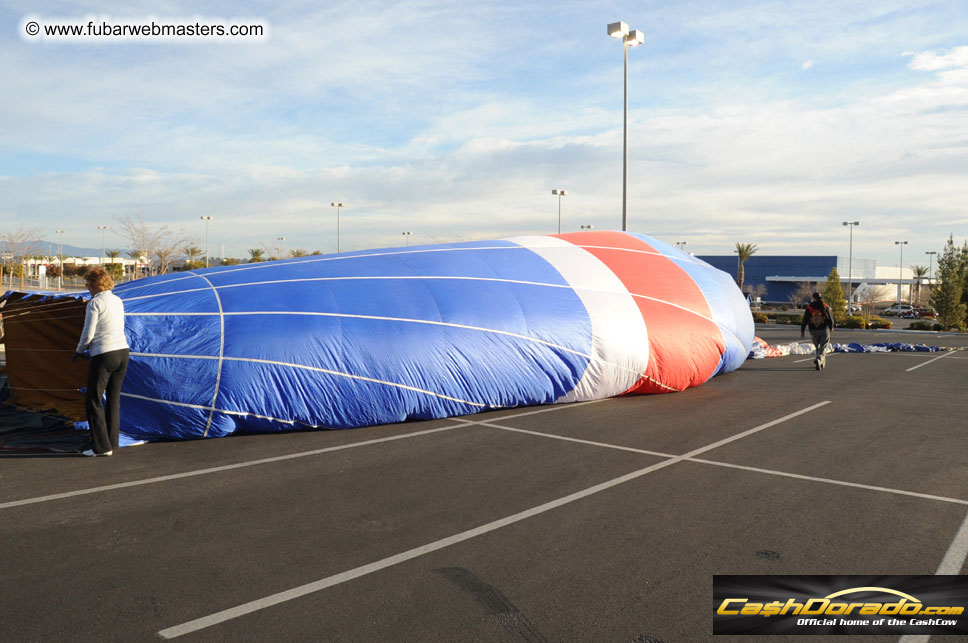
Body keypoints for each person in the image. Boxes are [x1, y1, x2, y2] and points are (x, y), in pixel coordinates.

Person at [73, 266, 129, 456]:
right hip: (122, 352)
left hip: (104, 353)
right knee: (113, 399)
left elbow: (88, 332)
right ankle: (112, 442)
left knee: (94, 400)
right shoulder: (117, 300)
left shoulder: (94, 303)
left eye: (89, 283)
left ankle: (101, 447)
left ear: (96, 284)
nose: (87, 287)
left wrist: (79, 349)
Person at [800, 292, 834, 371]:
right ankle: (819, 359)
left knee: (817, 347)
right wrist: (831, 326)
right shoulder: (825, 306)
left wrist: (802, 330)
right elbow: (830, 318)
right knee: (824, 346)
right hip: (824, 329)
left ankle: (820, 362)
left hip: (813, 330)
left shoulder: (809, 308)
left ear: (813, 298)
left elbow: (805, 320)